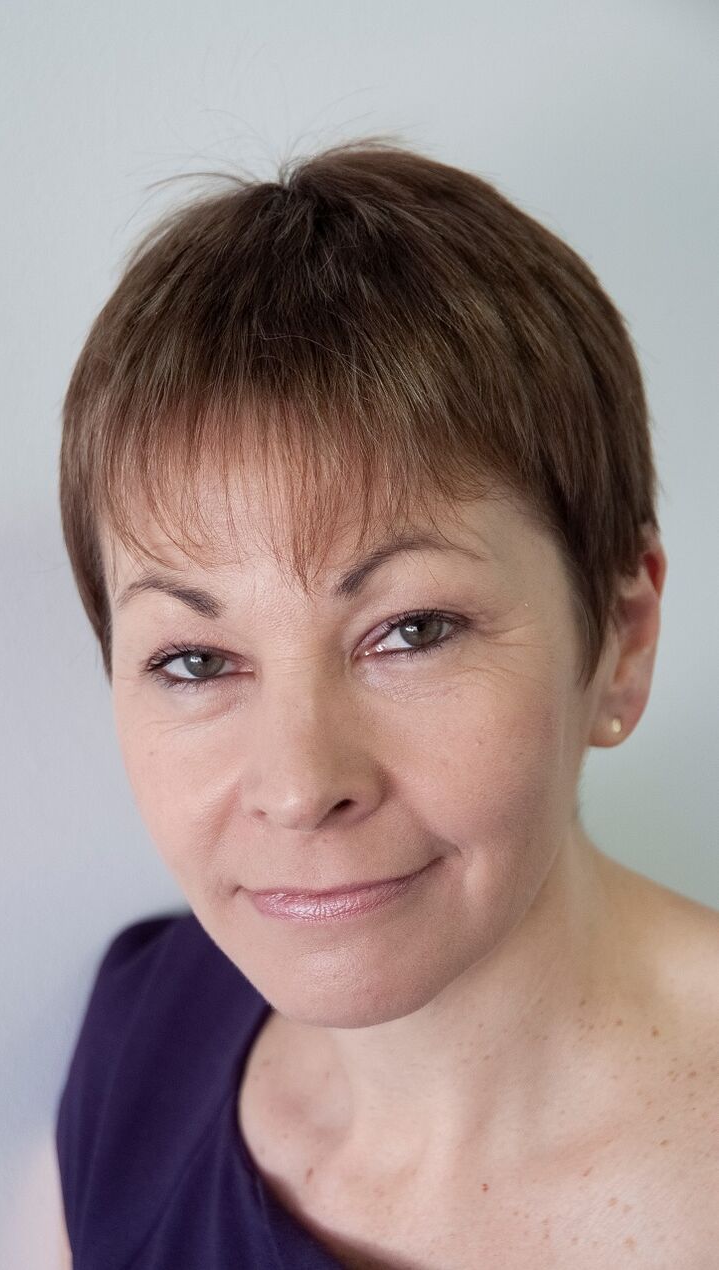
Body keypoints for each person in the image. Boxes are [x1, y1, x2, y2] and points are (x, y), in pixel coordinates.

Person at [53, 137, 718, 1269]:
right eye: (197, 661)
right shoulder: (141, 1039)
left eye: (410, 630)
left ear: (620, 639)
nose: (303, 786)